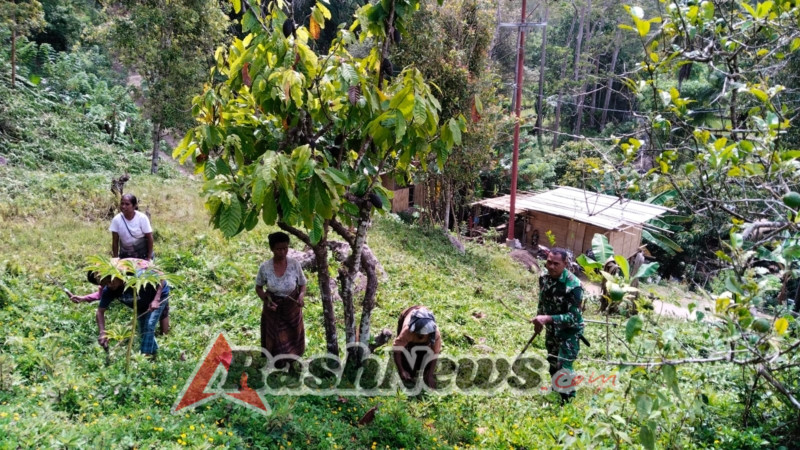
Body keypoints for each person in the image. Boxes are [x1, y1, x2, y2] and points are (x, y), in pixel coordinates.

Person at [73, 258, 170, 357]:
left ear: (118, 275)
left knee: (149, 325)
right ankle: (155, 354)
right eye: (106, 284)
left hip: (158, 295)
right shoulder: (109, 290)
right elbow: (100, 311)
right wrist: (102, 333)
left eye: (111, 281)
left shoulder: (136, 275)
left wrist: (156, 299)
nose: (110, 285)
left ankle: (144, 358)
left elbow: (161, 277)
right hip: (141, 303)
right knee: (144, 331)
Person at [530, 248, 584, 404]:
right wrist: (538, 320)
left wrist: (546, 318)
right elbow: (543, 300)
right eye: (549, 262)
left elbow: (573, 317)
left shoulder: (574, 286)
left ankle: (568, 402)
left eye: (556, 264)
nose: (551, 267)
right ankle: (556, 394)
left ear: (565, 264)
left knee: (563, 365)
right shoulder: (544, 277)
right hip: (551, 328)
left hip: (569, 331)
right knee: (553, 362)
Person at [255, 232, 308, 360]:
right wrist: (267, 300)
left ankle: (292, 361)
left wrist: (301, 296)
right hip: (273, 308)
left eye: (285, 248)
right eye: (279, 249)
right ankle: (277, 363)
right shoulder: (265, 267)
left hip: (292, 308)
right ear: (272, 249)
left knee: (293, 336)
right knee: (276, 338)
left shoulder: (295, 264)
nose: (283, 252)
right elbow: (258, 287)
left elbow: (302, 284)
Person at [393, 305, 442, 389]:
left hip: (425, 345)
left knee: (426, 365)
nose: (421, 336)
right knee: (408, 368)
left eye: (424, 335)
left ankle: (425, 372)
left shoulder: (434, 333)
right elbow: (397, 351)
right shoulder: (407, 331)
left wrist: (429, 375)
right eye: (419, 334)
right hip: (407, 313)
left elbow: (435, 353)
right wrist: (402, 371)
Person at [109, 194, 153, 260]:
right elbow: (115, 241)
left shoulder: (142, 218)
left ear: (134, 206)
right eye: (122, 204)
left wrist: (149, 257)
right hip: (125, 254)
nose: (123, 206)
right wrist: (115, 258)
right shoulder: (117, 220)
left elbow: (149, 238)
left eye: (127, 204)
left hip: (142, 255)